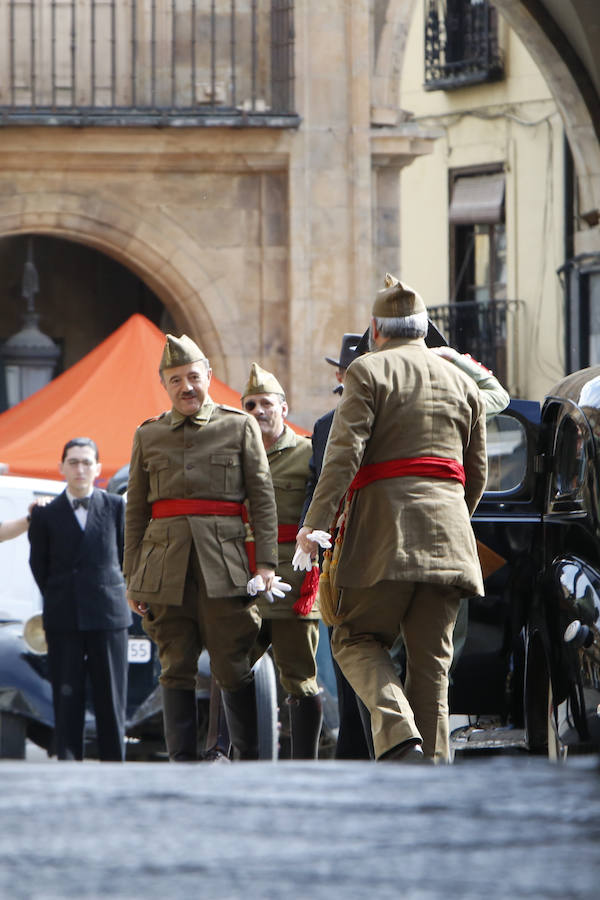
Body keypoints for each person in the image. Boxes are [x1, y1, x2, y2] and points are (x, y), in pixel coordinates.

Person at [297, 278, 487, 764]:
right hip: (450, 542)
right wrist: (452, 525)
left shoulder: (366, 371)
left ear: (376, 331)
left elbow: (342, 458)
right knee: (431, 670)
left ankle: (400, 738)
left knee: (355, 638)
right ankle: (433, 778)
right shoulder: (464, 381)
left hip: (382, 539)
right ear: (424, 330)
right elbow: (478, 471)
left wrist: (314, 527)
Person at [123, 334, 278, 762]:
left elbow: (262, 499)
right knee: (175, 667)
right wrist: (132, 577)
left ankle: (250, 763)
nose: (186, 387)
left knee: (233, 664)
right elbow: (136, 510)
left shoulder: (239, 425)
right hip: (163, 571)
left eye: (193, 376)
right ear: (165, 385)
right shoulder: (148, 435)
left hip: (224, 567)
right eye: (176, 380)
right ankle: (181, 769)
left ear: (208, 376)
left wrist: (265, 563)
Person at [28, 437, 130, 761]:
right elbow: (38, 565)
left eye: (87, 462)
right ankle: (68, 765)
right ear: (61, 468)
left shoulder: (116, 506)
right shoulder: (45, 514)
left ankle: (115, 766)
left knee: (111, 699)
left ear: (98, 468)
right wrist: (60, 595)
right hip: (64, 616)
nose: (80, 468)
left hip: (108, 615)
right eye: (73, 462)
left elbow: (128, 556)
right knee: (66, 695)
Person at [241, 363, 323, 758]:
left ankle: (303, 762)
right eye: (250, 404)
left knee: (300, 680)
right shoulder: (236, 455)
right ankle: (231, 754)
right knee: (231, 669)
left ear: (284, 408)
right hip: (247, 580)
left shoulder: (308, 453)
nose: (258, 410)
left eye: (266, 403)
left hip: (294, 577)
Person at [301, 333, 374, 761]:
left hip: (382, 547)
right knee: (346, 658)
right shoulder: (326, 426)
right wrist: (309, 534)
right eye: (352, 372)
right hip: (340, 554)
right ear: (341, 376)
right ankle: (354, 753)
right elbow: (317, 484)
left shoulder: (390, 415)